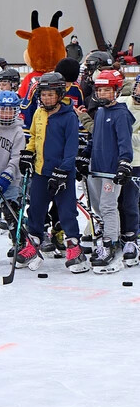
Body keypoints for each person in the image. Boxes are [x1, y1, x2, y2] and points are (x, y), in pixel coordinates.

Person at [17, 72, 88, 273]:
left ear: (59, 94)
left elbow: (71, 148)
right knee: (36, 210)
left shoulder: (69, 117)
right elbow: (33, 137)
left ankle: (74, 247)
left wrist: (63, 171)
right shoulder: (39, 114)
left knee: (66, 212)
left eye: (50, 94)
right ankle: (33, 243)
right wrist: (27, 154)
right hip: (41, 171)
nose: (47, 98)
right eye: (44, 94)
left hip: (62, 173)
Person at [78, 69, 135, 273]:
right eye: (100, 90)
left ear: (117, 91)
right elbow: (95, 138)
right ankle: (109, 235)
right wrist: (85, 155)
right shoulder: (101, 112)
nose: (102, 94)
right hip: (97, 168)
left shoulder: (121, 114)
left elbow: (124, 143)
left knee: (109, 206)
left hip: (111, 171)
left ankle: (109, 244)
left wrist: (124, 163)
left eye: (107, 90)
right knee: (98, 207)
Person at [0, 90, 26, 256]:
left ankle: (20, 243)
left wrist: (7, 175)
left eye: (10, 110)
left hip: (10, 180)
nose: (6, 113)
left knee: (12, 213)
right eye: (3, 109)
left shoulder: (18, 132)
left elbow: (17, 157)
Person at [115, 75, 140, 266]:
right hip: (115, 161)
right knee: (113, 202)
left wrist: (122, 134)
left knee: (130, 203)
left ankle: (131, 237)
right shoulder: (122, 102)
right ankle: (115, 235)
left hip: (136, 163)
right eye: (138, 86)